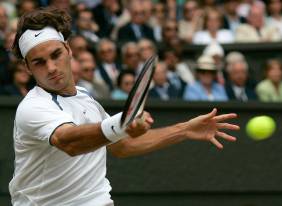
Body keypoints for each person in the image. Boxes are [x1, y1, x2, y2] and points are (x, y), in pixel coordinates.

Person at [9, 7, 239, 206]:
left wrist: (184, 130)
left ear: (68, 50)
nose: (51, 67)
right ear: (28, 68)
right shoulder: (32, 107)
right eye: (39, 62)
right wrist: (123, 123)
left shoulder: (85, 99)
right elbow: (69, 141)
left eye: (56, 54)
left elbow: (122, 146)